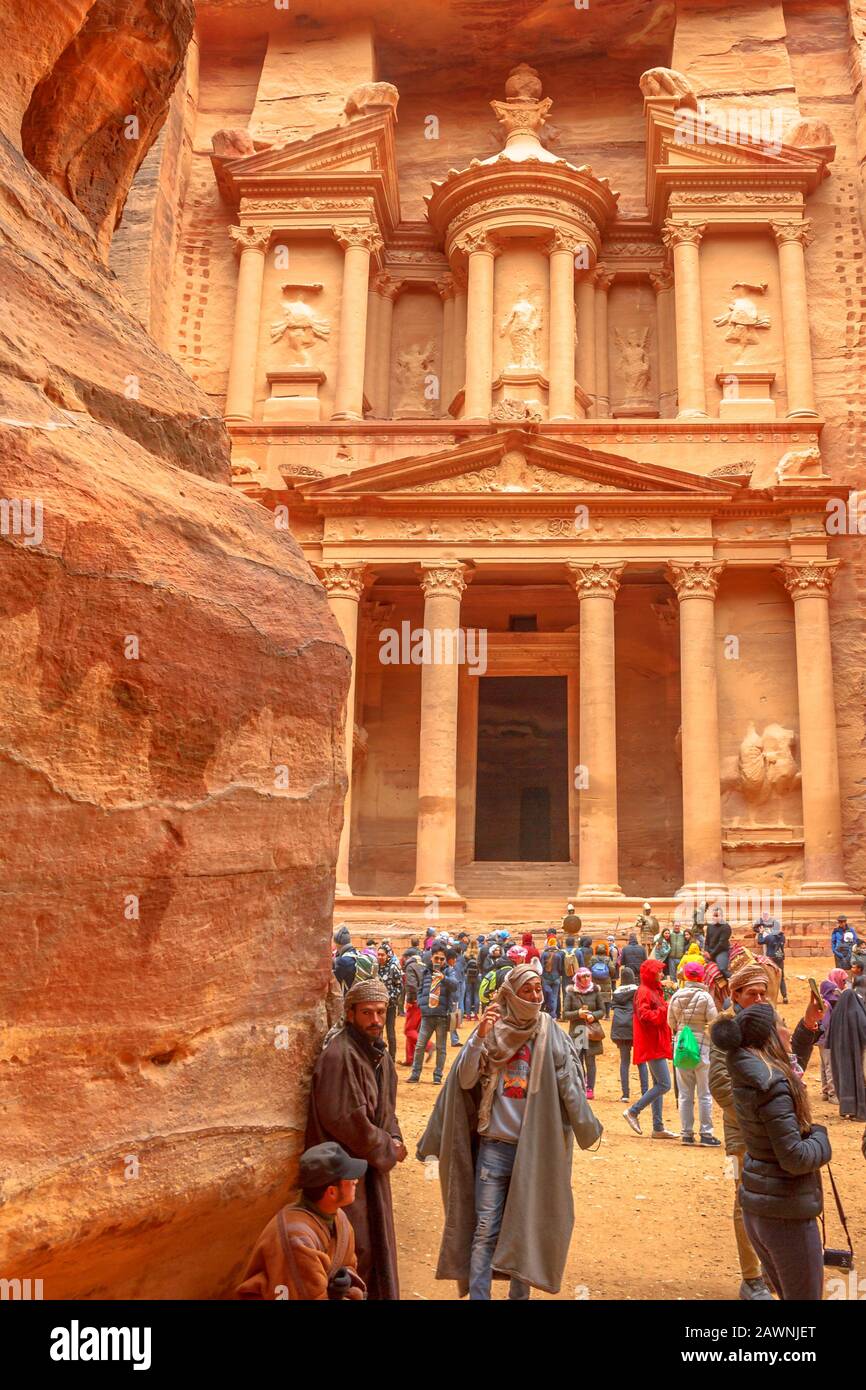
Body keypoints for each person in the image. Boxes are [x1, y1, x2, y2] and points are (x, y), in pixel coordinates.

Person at [417, 963, 602, 1299]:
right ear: (510, 994)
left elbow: (570, 1088)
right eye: (527, 990)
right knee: (485, 1230)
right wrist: (480, 1040)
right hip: (494, 1149)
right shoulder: (490, 1031)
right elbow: (465, 1080)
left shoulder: (550, 1033)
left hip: (534, 1150)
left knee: (524, 1229)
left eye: (538, 990)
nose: (534, 996)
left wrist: (587, 1128)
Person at [708, 959, 823, 1301]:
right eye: (752, 993)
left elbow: (791, 1065)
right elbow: (719, 1083)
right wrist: (758, 1117)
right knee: (747, 1199)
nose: (760, 999)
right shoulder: (725, 1029)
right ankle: (752, 1278)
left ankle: (777, 1271)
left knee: (779, 1199)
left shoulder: (771, 1023)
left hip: (780, 1128)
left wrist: (806, 1026)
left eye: (764, 992)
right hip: (747, 1136)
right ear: (735, 994)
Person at [306, 978, 405, 1300]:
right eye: (367, 1013)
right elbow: (347, 1120)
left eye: (380, 1012)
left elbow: (387, 1109)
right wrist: (388, 1146)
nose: (375, 1021)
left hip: (370, 1168)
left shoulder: (379, 1055)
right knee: (353, 1249)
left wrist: (394, 1135)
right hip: (344, 1171)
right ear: (350, 1014)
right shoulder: (340, 1056)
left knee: (376, 1245)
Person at [237, 1142, 367, 1300]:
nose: (356, 1181)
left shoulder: (339, 1219)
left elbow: (348, 1264)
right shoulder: (296, 1237)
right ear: (331, 1192)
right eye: (348, 1178)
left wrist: (346, 1281)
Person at [667, 961, 720, 1147]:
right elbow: (713, 1021)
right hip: (702, 1045)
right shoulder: (705, 998)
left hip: (682, 1045)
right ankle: (706, 1134)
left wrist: (683, 1030)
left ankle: (686, 1134)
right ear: (701, 977)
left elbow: (671, 1023)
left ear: (686, 977)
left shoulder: (676, 996)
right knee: (704, 1093)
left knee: (684, 1094)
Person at [623, 958, 676, 1139]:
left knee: (658, 1084)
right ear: (651, 974)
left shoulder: (653, 990)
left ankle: (658, 1127)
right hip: (651, 1043)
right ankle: (633, 1111)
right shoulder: (644, 991)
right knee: (664, 1084)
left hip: (656, 1042)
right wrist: (666, 1009)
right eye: (659, 972)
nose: (661, 975)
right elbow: (645, 1016)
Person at [407, 941, 459, 1085]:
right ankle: (415, 1074)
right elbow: (420, 989)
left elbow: (455, 986)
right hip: (427, 1014)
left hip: (442, 1015)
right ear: (431, 958)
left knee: (441, 1048)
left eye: (442, 959)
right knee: (420, 1046)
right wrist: (421, 1003)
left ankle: (437, 1076)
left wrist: (444, 978)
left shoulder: (449, 971)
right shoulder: (425, 971)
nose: (439, 961)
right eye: (436, 958)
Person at [827, 971, 866, 1120]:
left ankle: (846, 1109)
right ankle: (860, 1112)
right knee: (857, 1079)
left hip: (839, 1054)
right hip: (855, 1053)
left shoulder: (838, 1012)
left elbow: (829, 1033)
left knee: (843, 1079)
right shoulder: (857, 1011)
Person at [563, 966, 604, 1100]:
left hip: (591, 1031)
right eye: (583, 977)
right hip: (577, 1031)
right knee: (577, 1060)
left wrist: (594, 1015)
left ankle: (590, 1088)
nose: (586, 979)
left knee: (590, 1060)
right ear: (578, 978)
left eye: (588, 976)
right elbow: (565, 1014)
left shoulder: (595, 992)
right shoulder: (571, 993)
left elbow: (602, 1010)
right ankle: (580, 1085)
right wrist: (578, 1014)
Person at [610, 965, 647, 1104]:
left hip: (620, 1028)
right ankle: (645, 1093)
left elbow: (613, 1006)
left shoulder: (616, 993)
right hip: (635, 1027)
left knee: (624, 1062)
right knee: (641, 1062)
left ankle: (625, 1094)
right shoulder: (638, 991)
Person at [818, 968, 848, 1101]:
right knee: (831, 1065)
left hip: (820, 1038)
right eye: (843, 980)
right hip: (828, 1038)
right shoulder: (834, 999)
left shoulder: (822, 998)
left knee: (824, 1064)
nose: (845, 983)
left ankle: (825, 1091)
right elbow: (829, 1023)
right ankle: (832, 1094)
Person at [376, 944, 404, 1060]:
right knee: (378, 1031)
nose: (380, 957)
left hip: (390, 1006)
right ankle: (378, 1055)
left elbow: (399, 986)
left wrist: (390, 998)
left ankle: (392, 1058)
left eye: (382, 955)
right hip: (377, 1006)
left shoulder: (393, 967)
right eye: (378, 954)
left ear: (388, 956)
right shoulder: (375, 967)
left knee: (390, 1032)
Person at [755, 912, 787, 1003]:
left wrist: (761, 933)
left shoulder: (769, 937)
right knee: (781, 977)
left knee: (769, 977)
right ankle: (785, 996)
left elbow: (760, 941)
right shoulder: (782, 937)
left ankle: (769, 997)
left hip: (771, 959)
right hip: (780, 958)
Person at [540, 935, 564, 1017]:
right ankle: (553, 1015)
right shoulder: (558, 955)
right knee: (554, 997)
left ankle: (546, 1013)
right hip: (556, 978)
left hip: (546, 978)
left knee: (546, 996)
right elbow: (560, 968)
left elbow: (541, 967)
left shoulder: (544, 954)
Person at [704, 906, 732, 978]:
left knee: (722, 969)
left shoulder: (726, 927)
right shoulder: (710, 926)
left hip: (721, 951)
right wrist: (706, 951)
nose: (715, 917)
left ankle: (734, 980)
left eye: (717, 916)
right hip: (710, 951)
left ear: (721, 916)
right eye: (714, 916)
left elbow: (721, 944)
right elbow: (707, 940)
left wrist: (711, 954)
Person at [446, 945, 465, 1047]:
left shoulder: (450, 968)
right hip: (448, 999)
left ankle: (454, 1040)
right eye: (454, 959)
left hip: (449, 999)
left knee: (452, 1018)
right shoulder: (449, 969)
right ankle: (454, 1039)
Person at [591, 941, 615, 1019]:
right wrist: (609, 975)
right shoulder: (607, 959)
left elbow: (588, 967)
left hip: (595, 980)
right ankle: (607, 1015)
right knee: (607, 997)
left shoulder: (593, 958)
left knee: (595, 997)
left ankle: (597, 1014)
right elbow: (612, 968)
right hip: (606, 980)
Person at [463, 943, 480, 1020]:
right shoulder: (478, 954)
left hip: (468, 976)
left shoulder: (466, 954)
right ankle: (476, 1015)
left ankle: (468, 1015)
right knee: (476, 995)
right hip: (477, 975)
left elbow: (464, 966)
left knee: (468, 995)